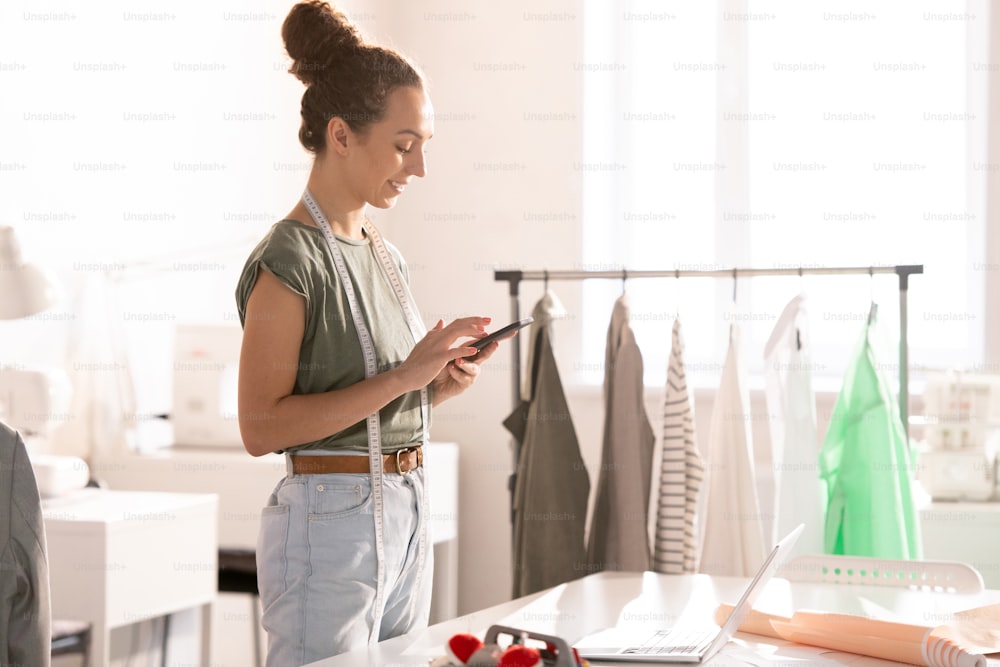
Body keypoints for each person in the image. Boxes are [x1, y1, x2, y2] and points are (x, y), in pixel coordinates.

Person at [234, 2, 499, 663]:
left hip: (408, 505)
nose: (417, 169)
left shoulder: (384, 252)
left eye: (424, 149)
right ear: (343, 135)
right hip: (329, 522)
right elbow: (261, 426)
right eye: (403, 146)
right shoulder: (291, 259)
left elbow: (366, 403)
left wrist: (431, 388)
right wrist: (405, 376)